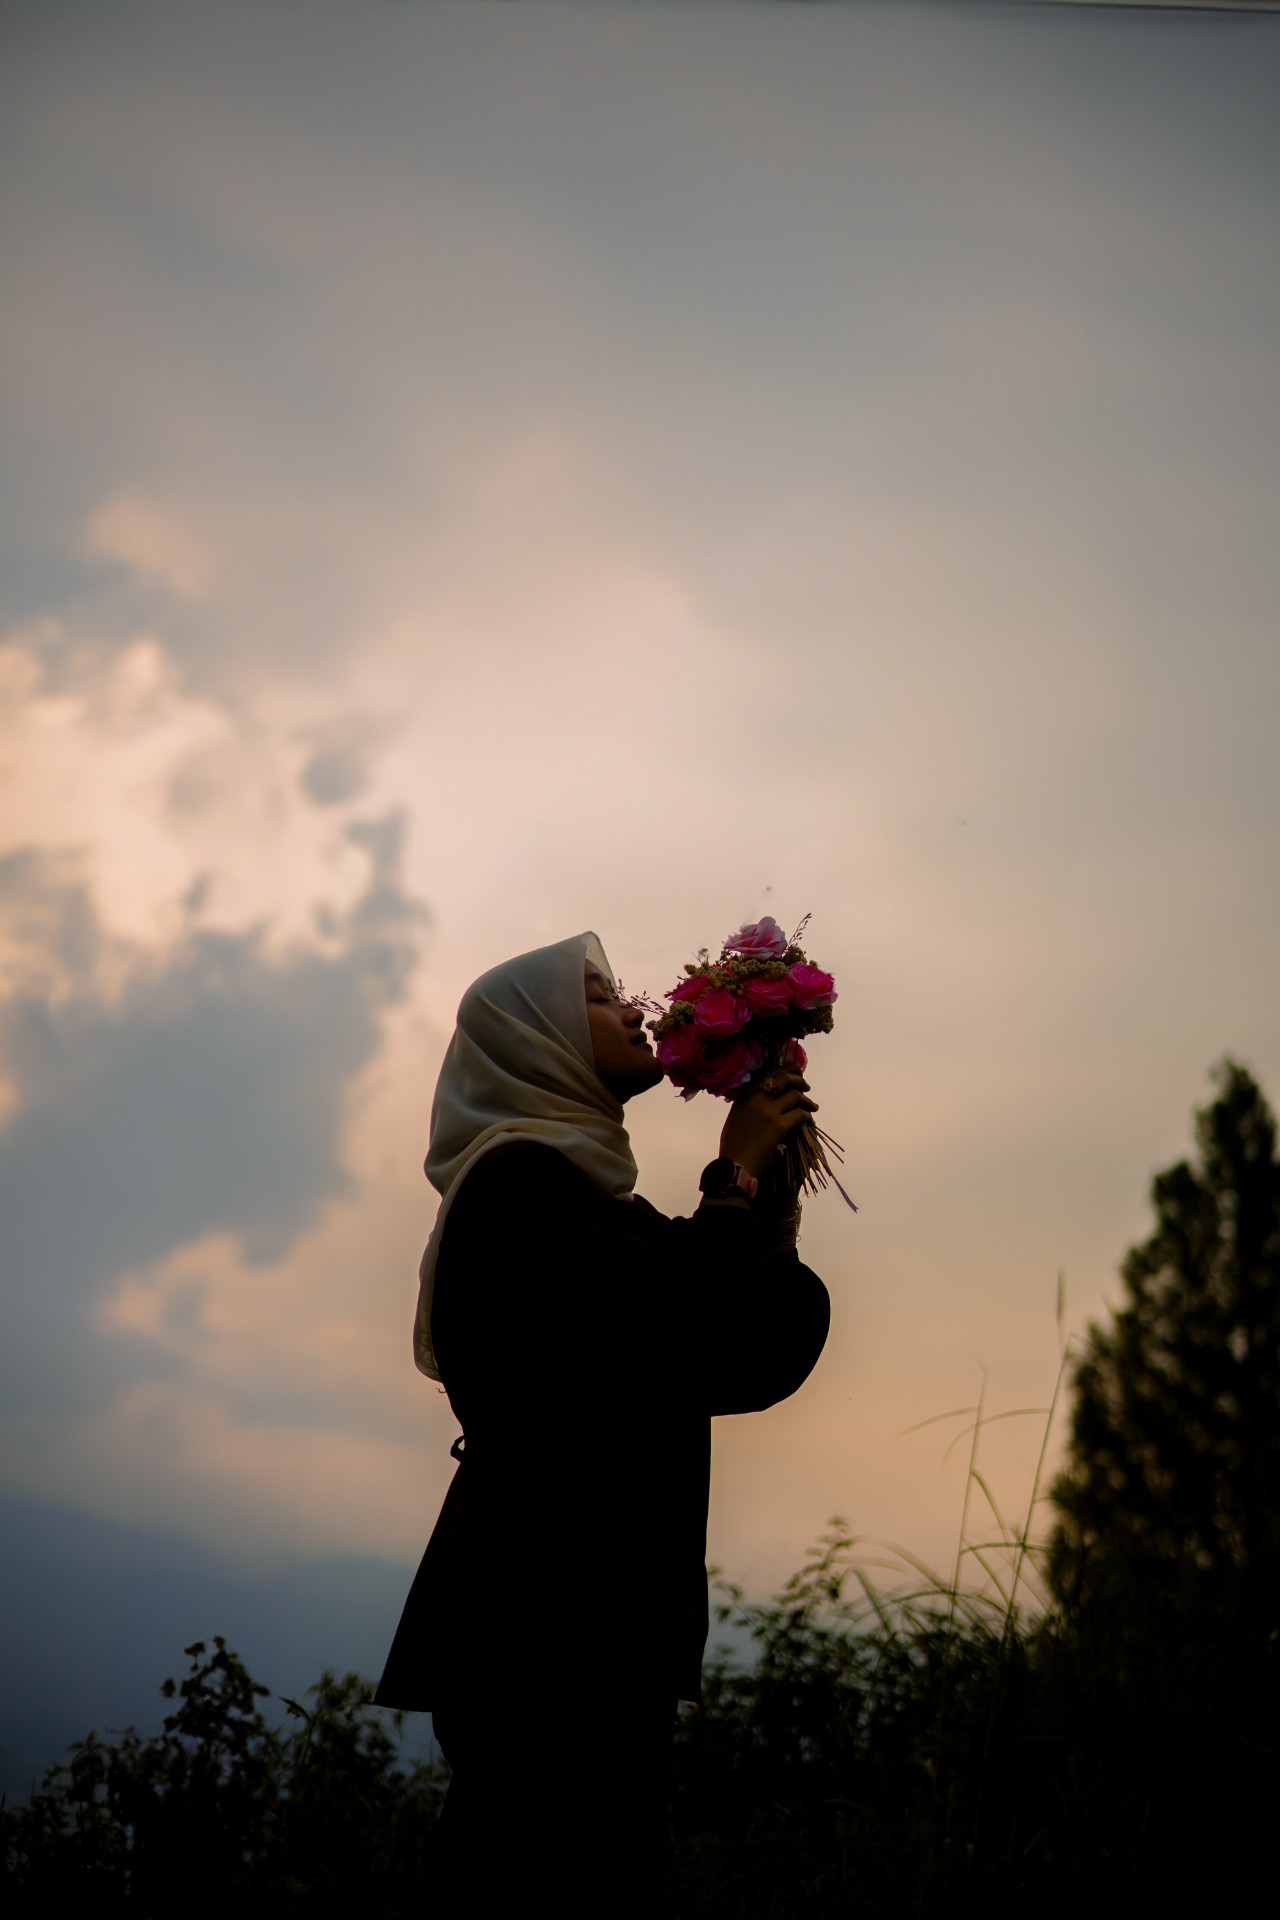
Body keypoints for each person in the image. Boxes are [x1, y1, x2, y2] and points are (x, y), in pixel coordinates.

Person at [374, 931, 831, 1915]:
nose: (632, 1008)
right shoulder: (515, 1191)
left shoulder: (602, 1211)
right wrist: (731, 1178)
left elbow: (746, 1353)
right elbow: (678, 1324)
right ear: (535, 1041)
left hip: (601, 1632)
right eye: (594, 994)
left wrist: (770, 1193)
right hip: (542, 1633)